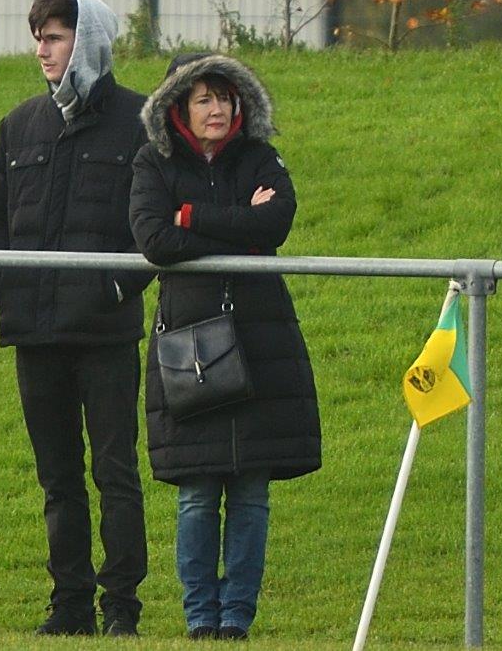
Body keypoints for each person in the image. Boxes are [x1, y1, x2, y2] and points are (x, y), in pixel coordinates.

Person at [128, 53, 321, 641]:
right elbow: (155, 238)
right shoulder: (153, 161)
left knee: (251, 492)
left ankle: (237, 617)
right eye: (204, 98)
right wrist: (234, 218)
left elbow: (276, 224)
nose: (218, 109)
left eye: (226, 97)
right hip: (189, 341)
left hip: (261, 336)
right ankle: (199, 619)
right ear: (179, 105)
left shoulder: (260, 157)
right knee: (196, 491)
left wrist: (194, 216)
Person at [0, 0, 152, 637]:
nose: (42, 50)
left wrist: (112, 290)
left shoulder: (139, 122)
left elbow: (151, 228)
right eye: (38, 38)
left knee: (115, 473)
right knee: (58, 478)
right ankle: (70, 605)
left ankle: (122, 610)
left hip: (105, 334)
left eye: (54, 37)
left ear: (88, 40)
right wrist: (0, 281)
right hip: (35, 331)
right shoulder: (19, 125)